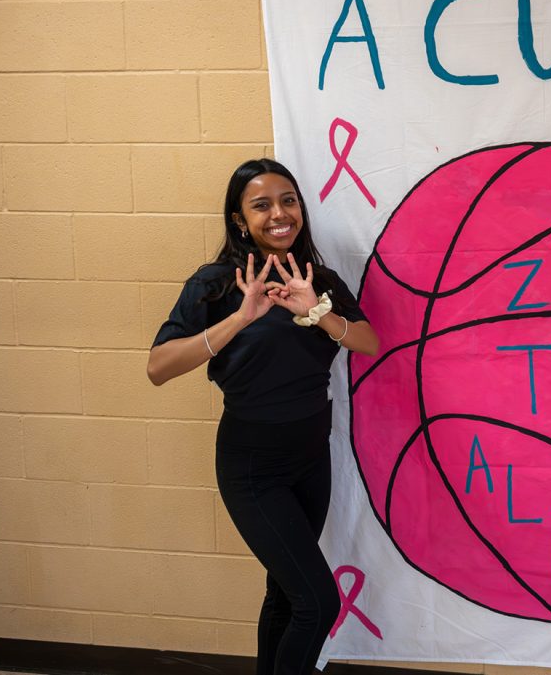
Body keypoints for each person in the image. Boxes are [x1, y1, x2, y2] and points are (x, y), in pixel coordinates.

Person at [147, 158, 380, 675]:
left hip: (310, 458)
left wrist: (316, 310)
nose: (279, 213)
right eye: (262, 204)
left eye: (288, 200)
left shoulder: (318, 279)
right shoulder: (215, 284)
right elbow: (158, 368)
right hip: (253, 465)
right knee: (317, 602)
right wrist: (241, 315)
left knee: (285, 596)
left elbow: (369, 341)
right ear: (239, 220)